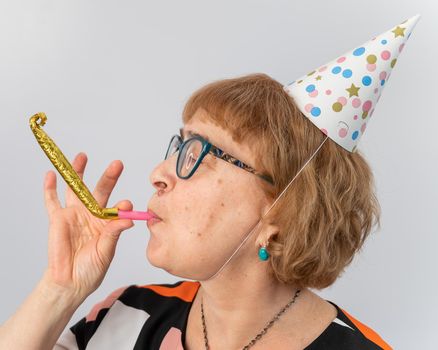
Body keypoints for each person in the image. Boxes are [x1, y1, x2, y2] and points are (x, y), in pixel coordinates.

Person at [0, 14, 420, 349]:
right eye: (177, 146)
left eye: (198, 153)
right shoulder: (123, 316)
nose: (158, 174)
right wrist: (59, 289)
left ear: (281, 208)